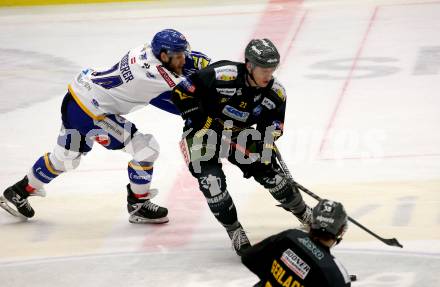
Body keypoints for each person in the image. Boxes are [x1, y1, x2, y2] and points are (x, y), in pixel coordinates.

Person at [0, 29, 210, 224]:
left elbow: (182, 72)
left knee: (65, 158)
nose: (183, 59)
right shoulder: (157, 75)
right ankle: (138, 205)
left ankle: (17, 192)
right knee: (146, 149)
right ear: (163, 55)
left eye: (183, 54)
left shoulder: (147, 49)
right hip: (93, 113)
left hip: (77, 97)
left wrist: (199, 64)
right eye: (178, 55)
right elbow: (185, 100)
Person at [171, 38, 312, 255]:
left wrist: (266, 145)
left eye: (272, 69)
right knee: (212, 185)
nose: (269, 74)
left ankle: (304, 214)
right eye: (264, 69)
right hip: (202, 133)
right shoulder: (222, 74)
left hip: (240, 134)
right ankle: (234, 230)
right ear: (249, 66)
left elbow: (274, 124)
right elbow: (181, 92)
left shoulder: (276, 93)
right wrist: (201, 120)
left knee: (274, 176)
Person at [241, 199, 352, 287]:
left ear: (313, 222)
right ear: (341, 231)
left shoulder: (291, 236)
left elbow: (248, 257)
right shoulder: (336, 275)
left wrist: (274, 280)